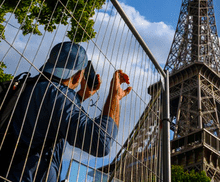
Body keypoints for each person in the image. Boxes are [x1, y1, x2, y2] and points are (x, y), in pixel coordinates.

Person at [0, 42, 132, 181]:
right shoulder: (60, 95)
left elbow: (46, 114)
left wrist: (80, 96)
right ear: (78, 75)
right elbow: (101, 142)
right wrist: (114, 96)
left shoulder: (28, 85)